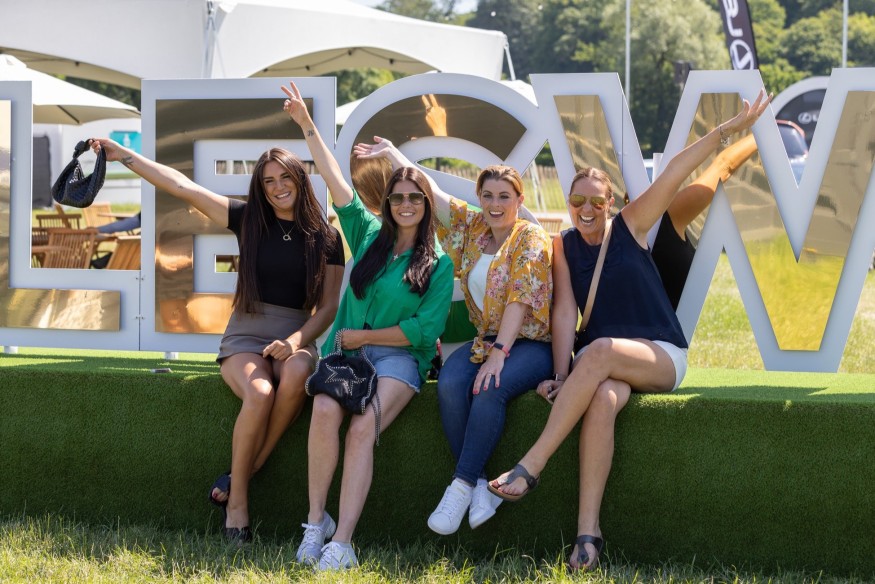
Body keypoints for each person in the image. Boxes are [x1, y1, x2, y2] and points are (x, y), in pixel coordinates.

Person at [487, 89, 772, 570]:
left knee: (599, 350)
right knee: (601, 397)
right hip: (600, 366)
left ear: (612, 202)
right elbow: (564, 313)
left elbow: (676, 171)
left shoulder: (630, 226)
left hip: (657, 354)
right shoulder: (562, 246)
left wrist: (726, 132)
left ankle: (531, 465)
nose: (585, 208)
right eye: (577, 200)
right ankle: (588, 536)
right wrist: (561, 375)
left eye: (596, 201)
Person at [89, 137, 345, 544]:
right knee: (260, 392)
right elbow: (183, 187)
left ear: (300, 178)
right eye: (268, 181)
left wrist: (296, 340)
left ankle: (248, 468)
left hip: (296, 336)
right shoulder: (248, 219)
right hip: (246, 333)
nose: (278, 187)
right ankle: (238, 503)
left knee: (298, 372)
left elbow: (329, 308)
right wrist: (126, 156)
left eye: (284, 177)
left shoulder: (327, 237)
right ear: (260, 188)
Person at [282, 82, 454, 570]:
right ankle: (316, 524)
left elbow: (423, 332)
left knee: (361, 429)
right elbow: (334, 178)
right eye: (398, 197)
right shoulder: (367, 233)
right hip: (348, 356)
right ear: (388, 201)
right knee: (324, 410)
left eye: (415, 197)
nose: (406, 204)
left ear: (426, 203)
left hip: (400, 360)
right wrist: (307, 124)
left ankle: (344, 544)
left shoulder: (439, 263)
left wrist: (365, 337)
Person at [355, 140, 554, 535]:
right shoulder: (475, 228)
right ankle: (479, 485)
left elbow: (519, 299)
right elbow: (432, 191)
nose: (495, 204)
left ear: (519, 200)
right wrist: (393, 153)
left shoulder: (530, 237)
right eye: (487, 195)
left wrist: (500, 352)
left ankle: (459, 486)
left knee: (489, 387)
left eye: (504, 196)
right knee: (449, 382)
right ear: (480, 198)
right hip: (486, 341)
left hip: (530, 344)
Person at [651, 133, 758, 308]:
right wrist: (761, 132)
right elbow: (724, 166)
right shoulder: (665, 221)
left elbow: (724, 165)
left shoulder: (620, 233)